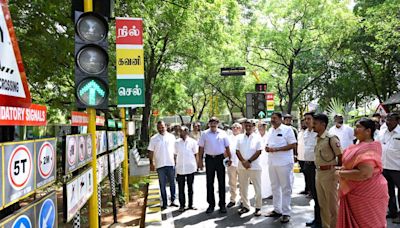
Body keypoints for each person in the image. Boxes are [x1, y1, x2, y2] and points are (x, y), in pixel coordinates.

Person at [336, 118, 388, 228]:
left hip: (367, 192)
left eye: (358, 126)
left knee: (367, 223)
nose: (355, 129)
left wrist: (340, 173)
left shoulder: (370, 147)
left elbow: (365, 174)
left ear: (368, 131)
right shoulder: (356, 146)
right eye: (355, 126)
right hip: (355, 191)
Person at [265, 112, 297, 223]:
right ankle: (277, 209)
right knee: (274, 187)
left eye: (275, 118)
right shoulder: (270, 130)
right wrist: (267, 148)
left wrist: (277, 149)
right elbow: (268, 144)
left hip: (284, 163)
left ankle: (286, 213)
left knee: (286, 188)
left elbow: (293, 145)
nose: (272, 120)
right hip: (272, 163)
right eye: (272, 118)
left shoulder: (287, 130)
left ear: (280, 119)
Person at [313, 113, 342, 228]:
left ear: (323, 124)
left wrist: (338, 173)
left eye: (315, 123)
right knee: (322, 205)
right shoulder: (318, 139)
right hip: (319, 173)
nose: (313, 125)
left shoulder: (331, 138)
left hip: (330, 174)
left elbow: (341, 156)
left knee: (332, 206)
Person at [198, 117, 232, 214]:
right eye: (211, 123)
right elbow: (201, 148)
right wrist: (200, 161)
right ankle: (211, 204)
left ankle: (222, 205)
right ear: (209, 124)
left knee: (221, 182)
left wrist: (230, 158)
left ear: (218, 123)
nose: (213, 124)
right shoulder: (204, 134)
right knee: (209, 183)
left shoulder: (223, 133)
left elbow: (227, 147)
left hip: (220, 159)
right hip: (209, 159)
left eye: (215, 123)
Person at [236, 119, 263, 216]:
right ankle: (246, 206)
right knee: (243, 188)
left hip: (255, 166)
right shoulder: (239, 138)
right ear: (243, 126)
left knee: (257, 188)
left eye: (250, 126)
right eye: (246, 125)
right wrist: (243, 162)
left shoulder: (258, 137)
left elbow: (259, 151)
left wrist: (249, 161)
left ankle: (258, 207)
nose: (247, 127)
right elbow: (237, 151)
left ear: (253, 127)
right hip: (242, 166)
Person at [148, 121, 177, 209]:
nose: (161, 129)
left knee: (173, 183)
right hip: (160, 165)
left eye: (162, 127)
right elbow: (151, 151)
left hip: (170, 163)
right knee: (162, 184)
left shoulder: (171, 137)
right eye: (159, 128)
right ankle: (164, 202)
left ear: (166, 127)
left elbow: (175, 150)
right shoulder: (154, 138)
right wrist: (151, 163)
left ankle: (173, 200)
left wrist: (176, 161)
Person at [378, 113, 400, 223]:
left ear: (397, 121)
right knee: (388, 191)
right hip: (384, 167)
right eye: (387, 119)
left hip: (397, 168)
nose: (388, 122)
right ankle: (392, 212)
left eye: (391, 120)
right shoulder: (382, 132)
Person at [300, 112, 321, 228]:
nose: (307, 121)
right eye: (305, 119)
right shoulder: (306, 133)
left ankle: (320, 221)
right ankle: (316, 219)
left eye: (309, 119)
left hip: (316, 166)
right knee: (313, 194)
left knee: (318, 196)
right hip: (307, 165)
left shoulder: (318, 133)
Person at [175, 126, 199, 212]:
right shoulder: (176, 142)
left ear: (187, 132)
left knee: (190, 187)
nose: (181, 133)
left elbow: (196, 154)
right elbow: (175, 154)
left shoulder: (193, 142)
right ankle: (182, 205)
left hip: (190, 167)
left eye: (182, 132)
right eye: (180, 132)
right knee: (181, 188)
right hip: (180, 168)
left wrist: (197, 165)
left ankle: (190, 204)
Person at [227, 123, 242, 208]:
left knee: (243, 183)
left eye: (237, 127)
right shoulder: (228, 138)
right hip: (231, 163)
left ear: (240, 129)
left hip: (241, 163)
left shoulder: (243, 137)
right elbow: (225, 150)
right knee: (232, 182)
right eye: (234, 127)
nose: (235, 128)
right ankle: (232, 199)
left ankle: (243, 200)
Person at [257, 120, 272, 199]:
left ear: (265, 127)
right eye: (259, 126)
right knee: (260, 178)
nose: (261, 128)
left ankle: (270, 193)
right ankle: (260, 193)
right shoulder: (256, 136)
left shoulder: (269, 135)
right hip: (258, 160)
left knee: (268, 177)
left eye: (262, 126)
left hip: (268, 159)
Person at [297, 119, 309, 195]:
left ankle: (310, 190)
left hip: (307, 157)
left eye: (304, 123)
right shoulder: (300, 132)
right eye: (302, 123)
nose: (303, 125)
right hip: (300, 157)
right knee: (304, 174)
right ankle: (306, 189)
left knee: (309, 175)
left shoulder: (310, 132)